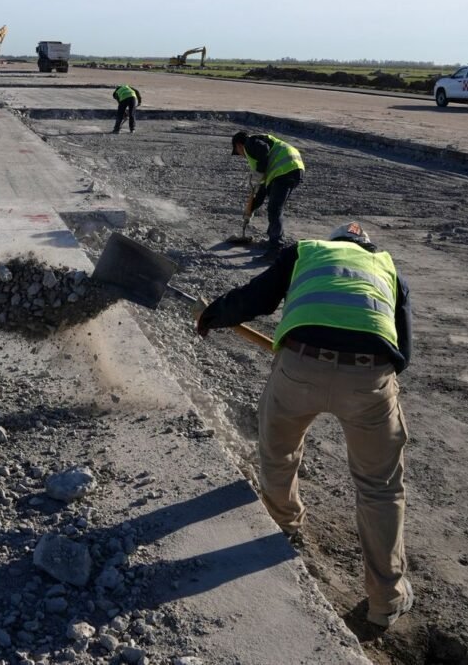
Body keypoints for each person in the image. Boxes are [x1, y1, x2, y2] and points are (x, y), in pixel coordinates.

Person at [196, 221, 414, 628]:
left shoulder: (306, 252)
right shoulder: (388, 268)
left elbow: (256, 299)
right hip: (370, 377)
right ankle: (386, 601)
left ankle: (284, 521)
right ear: (367, 247)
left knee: (278, 451)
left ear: (334, 243)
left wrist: (213, 314)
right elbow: (404, 350)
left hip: (299, 364)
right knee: (380, 488)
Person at [232, 131, 304, 259]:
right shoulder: (265, 153)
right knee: (275, 207)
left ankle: (275, 249)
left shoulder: (250, 143)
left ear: (238, 145)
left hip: (285, 171)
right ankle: (274, 241)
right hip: (294, 169)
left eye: (238, 152)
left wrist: (259, 171)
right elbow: (262, 192)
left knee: (275, 209)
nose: (241, 156)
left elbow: (263, 149)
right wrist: (251, 209)